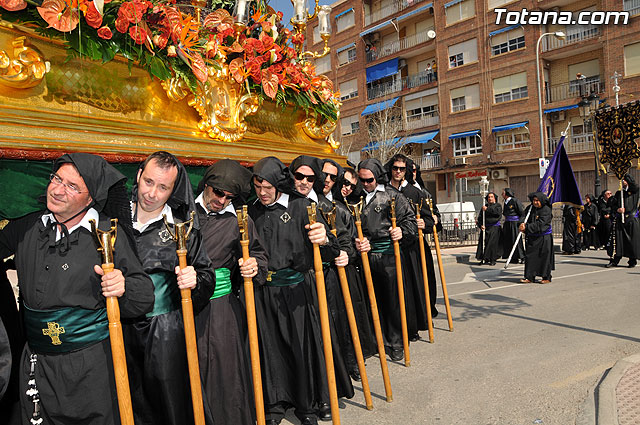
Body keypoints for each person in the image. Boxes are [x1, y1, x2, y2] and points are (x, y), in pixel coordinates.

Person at [0, 153, 154, 424]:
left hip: (90, 370)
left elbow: (144, 297)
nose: (57, 190)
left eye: (72, 186)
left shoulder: (109, 234)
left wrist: (123, 287)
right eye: (56, 179)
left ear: (90, 197)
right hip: (36, 366)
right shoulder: (27, 226)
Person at [125, 151, 215, 425]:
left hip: (164, 333)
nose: (152, 193)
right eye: (149, 182)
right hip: (117, 328)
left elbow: (205, 274)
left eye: (162, 187)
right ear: (139, 176)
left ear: (173, 190)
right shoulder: (113, 220)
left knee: (170, 404)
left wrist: (195, 280)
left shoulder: (182, 229)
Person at [248, 156, 340, 425]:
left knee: (300, 349)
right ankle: (275, 404)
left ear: (279, 184)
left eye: (268, 188)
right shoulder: (252, 210)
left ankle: (306, 405)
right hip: (264, 291)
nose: (262, 193)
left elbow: (332, 247)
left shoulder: (303, 207)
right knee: (271, 350)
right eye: (258, 187)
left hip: (296, 290)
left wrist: (324, 240)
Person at [194, 159, 269, 425]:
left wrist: (254, 265)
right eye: (218, 192)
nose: (222, 200)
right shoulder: (182, 214)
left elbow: (259, 255)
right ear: (207, 185)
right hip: (184, 307)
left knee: (226, 375)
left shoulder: (240, 220)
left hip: (221, 308)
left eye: (230, 197)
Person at [289, 155, 354, 411]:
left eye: (311, 178)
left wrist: (335, 246)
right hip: (294, 284)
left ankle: (326, 392)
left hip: (322, 280)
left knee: (325, 337)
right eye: (299, 176)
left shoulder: (330, 207)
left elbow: (342, 243)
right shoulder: (284, 204)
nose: (305, 182)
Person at [356, 158, 417, 361]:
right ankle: (376, 340)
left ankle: (396, 341)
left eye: (369, 180)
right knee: (370, 301)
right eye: (361, 180)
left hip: (388, 256)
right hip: (364, 256)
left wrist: (402, 230)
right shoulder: (355, 197)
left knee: (392, 301)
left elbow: (410, 222)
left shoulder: (392, 196)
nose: (365, 184)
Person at [322, 158, 377, 377]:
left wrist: (359, 246)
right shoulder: (320, 204)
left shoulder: (345, 209)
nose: (346, 187)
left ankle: (352, 360)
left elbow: (353, 242)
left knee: (347, 319)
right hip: (322, 273)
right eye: (343, 182)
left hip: (344, 272)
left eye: (351, 186)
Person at [385, 154, 435, 338]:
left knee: (413, 289)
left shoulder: (415, 193)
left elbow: (430, 220)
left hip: (412, 249)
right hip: (390, 248)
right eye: (395, 168)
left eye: (402, 169)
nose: (398, 172)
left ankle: (413, 327)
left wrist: (425, 224)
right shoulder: (383, 192)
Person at [519, 192, 554, 284]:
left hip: (543, 237)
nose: (535, 202)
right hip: (532, 237)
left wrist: (527, 227)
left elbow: (541, 224)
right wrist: (522, 223)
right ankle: (529, 276)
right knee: (530, 257)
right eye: (534, 200)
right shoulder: (530, 208)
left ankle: (546, 277)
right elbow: (523, 216)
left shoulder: (546, 210)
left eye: (537, 200)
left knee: (544, 257)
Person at [606, 173, 640, 268]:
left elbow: (635, 187)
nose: (623, 182)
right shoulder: (619, 193)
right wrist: (618, 209)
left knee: (631, 242)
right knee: (618, 241)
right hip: (621, 220)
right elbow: (612, 205)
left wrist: (626, 176)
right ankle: (615, 260)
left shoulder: (635, 192)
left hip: (631, 219)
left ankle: (632, 260)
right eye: (622, 180)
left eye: (625, 180)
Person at [476, 192, 502, 266]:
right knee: (484, 243)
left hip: (494, 227)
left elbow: (497, 214)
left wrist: (487, 209)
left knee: (492, 244)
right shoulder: (484, 206)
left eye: (491, 197)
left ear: (494, 198)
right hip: (486, 227)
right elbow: (480, 217)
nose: (490, 198)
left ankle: (492, 259)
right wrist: (481, 225)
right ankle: (484, 258)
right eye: (489, 197)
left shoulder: (498, 206)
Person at [501, 188, 525, 264]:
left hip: (514, 223)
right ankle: (513, 257)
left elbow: (521, 212)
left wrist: (521, 222)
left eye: (503, 193)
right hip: (508, 223)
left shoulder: (515, 201)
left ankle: (522, 257)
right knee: (509, 240)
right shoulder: (505, 202)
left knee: (516, 240)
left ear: (507, 193)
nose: (502, 194)